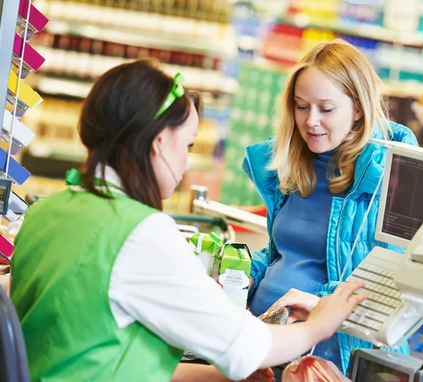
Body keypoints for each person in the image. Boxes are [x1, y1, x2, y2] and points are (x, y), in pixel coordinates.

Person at [9, 60, 367, 382]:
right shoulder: (141, 232)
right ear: (160, 143)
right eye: (188, 146)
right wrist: (319, 325)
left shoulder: (45, 212)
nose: (186, 164)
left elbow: (103, 350)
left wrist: (215, 375)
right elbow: (244, 348)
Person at [243, 39, 419, 374]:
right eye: (301, 106)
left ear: (357, 108)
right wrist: (249, 274)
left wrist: (323, 305)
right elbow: (285, 253)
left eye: (326, 109)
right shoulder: (293, 167)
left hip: (330, 359)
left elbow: (392, 279)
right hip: (267, 347)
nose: (310, 121)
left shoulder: (393, 175)